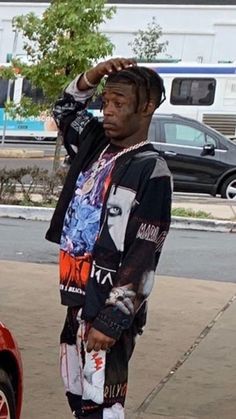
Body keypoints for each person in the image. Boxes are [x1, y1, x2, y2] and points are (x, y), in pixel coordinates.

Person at [46, 57, 172, 419]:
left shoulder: (151, 170)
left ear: (146, 108)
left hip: (106, 307)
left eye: (120, 104)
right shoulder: (95, 143)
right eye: (106, 103)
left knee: (102, 402)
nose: (108, 112)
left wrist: (113, 319)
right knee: (77, 393)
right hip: (77, 297)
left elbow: (145, 252)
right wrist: (93, 75)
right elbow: (66, 109)